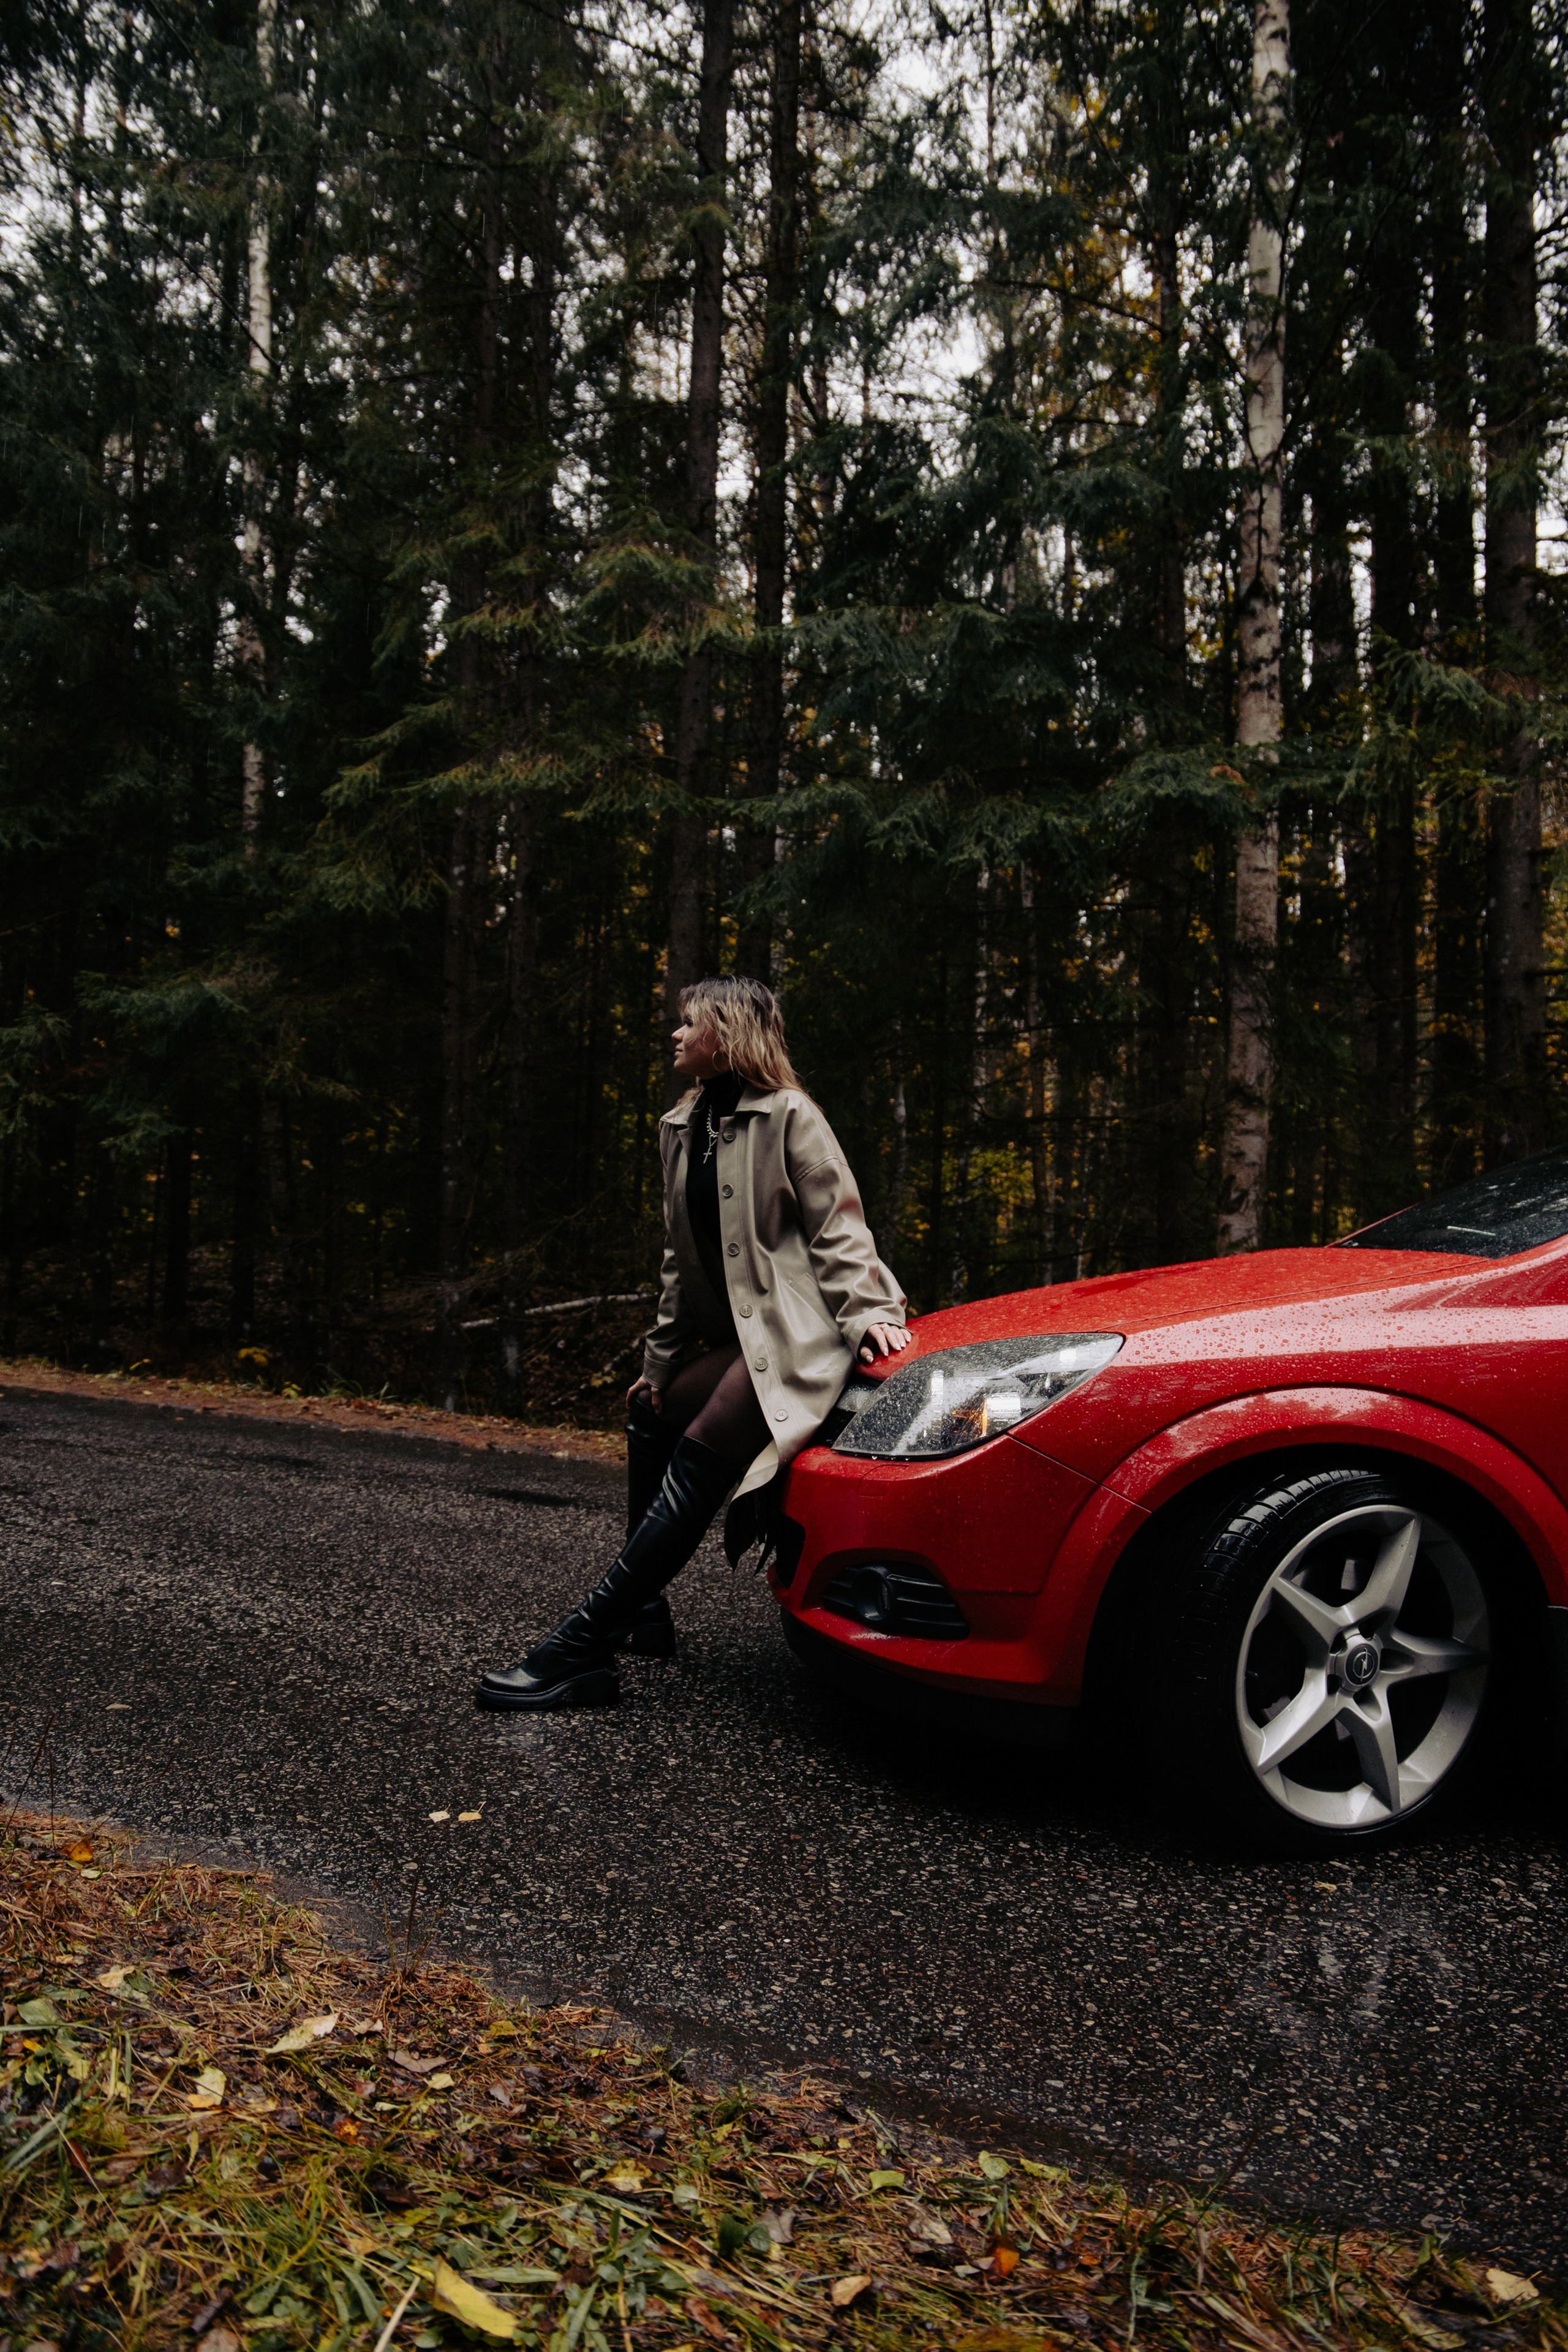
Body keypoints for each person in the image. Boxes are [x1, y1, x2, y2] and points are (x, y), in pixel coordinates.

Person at [475, 975, 910, 1711]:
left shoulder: (789, 1114)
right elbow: (679, 1260)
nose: (676, 1034)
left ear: (727, 1032)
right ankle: (644, 1611)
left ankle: (581, 1647)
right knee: (652, 1412)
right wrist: (661, 1363)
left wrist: (867, 1311)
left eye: (689, 1022)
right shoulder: (681, 1125)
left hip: (802, 1331)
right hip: (747, 1337)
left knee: (700, 1454)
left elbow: (837, 1226)